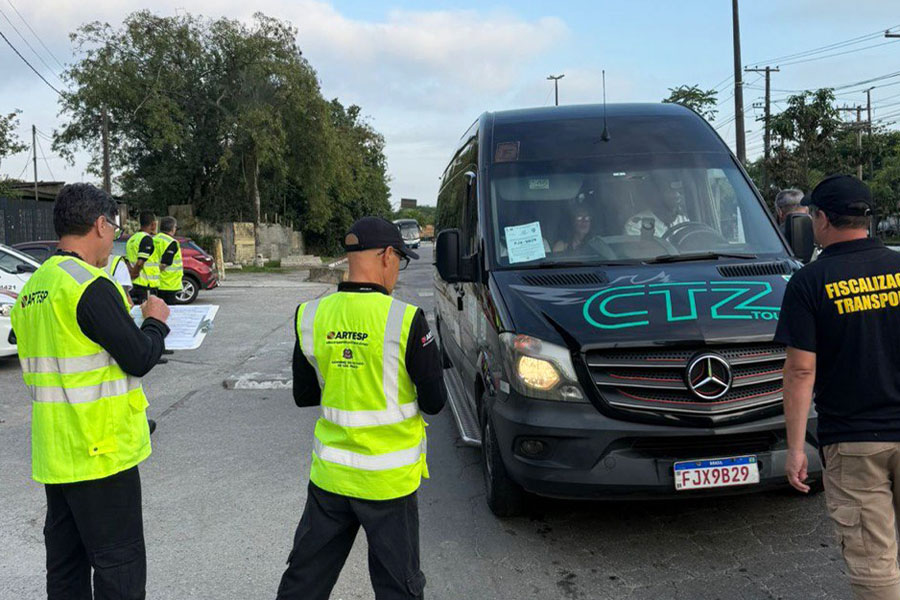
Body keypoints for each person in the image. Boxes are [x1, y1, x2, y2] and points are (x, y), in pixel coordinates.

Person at [9, 183, 170, 600]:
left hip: (57, 454)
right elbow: (139, 357)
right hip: (101, 453)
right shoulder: (90, 285)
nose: (113, 237)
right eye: (113, 228)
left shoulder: (35, 287)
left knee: (66, 570)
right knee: (120, 570)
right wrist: (156, 322)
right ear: (100, 224)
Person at [275, 216, 447, 600]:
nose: (397, 270)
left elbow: (305, 395)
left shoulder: (310, 315)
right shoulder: (405, 319)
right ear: (386, 255)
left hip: (331, 479)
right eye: (399, 260)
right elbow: (435, 403)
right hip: (388, 483)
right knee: (398, 588)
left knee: (305, 581)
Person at [777, 174, 900, 600]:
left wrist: (796, 449)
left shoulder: (809, 282)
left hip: (853, 442)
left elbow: (800, 372)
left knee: (874, 562)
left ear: (823, 219)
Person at [126, 211, 158, 303]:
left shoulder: (132, 238)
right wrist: (134, 274)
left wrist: (131, 276)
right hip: (146, 285)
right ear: (153, 224)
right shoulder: (147, 239)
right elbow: (140, 262)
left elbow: (127, 261)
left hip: (135, 284)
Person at [154, 216, 183, 305]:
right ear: (172, 228)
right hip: (169, 283)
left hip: (155, 283)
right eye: (175, 227)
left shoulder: (154, 239)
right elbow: (165, 263)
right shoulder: (172, 242)